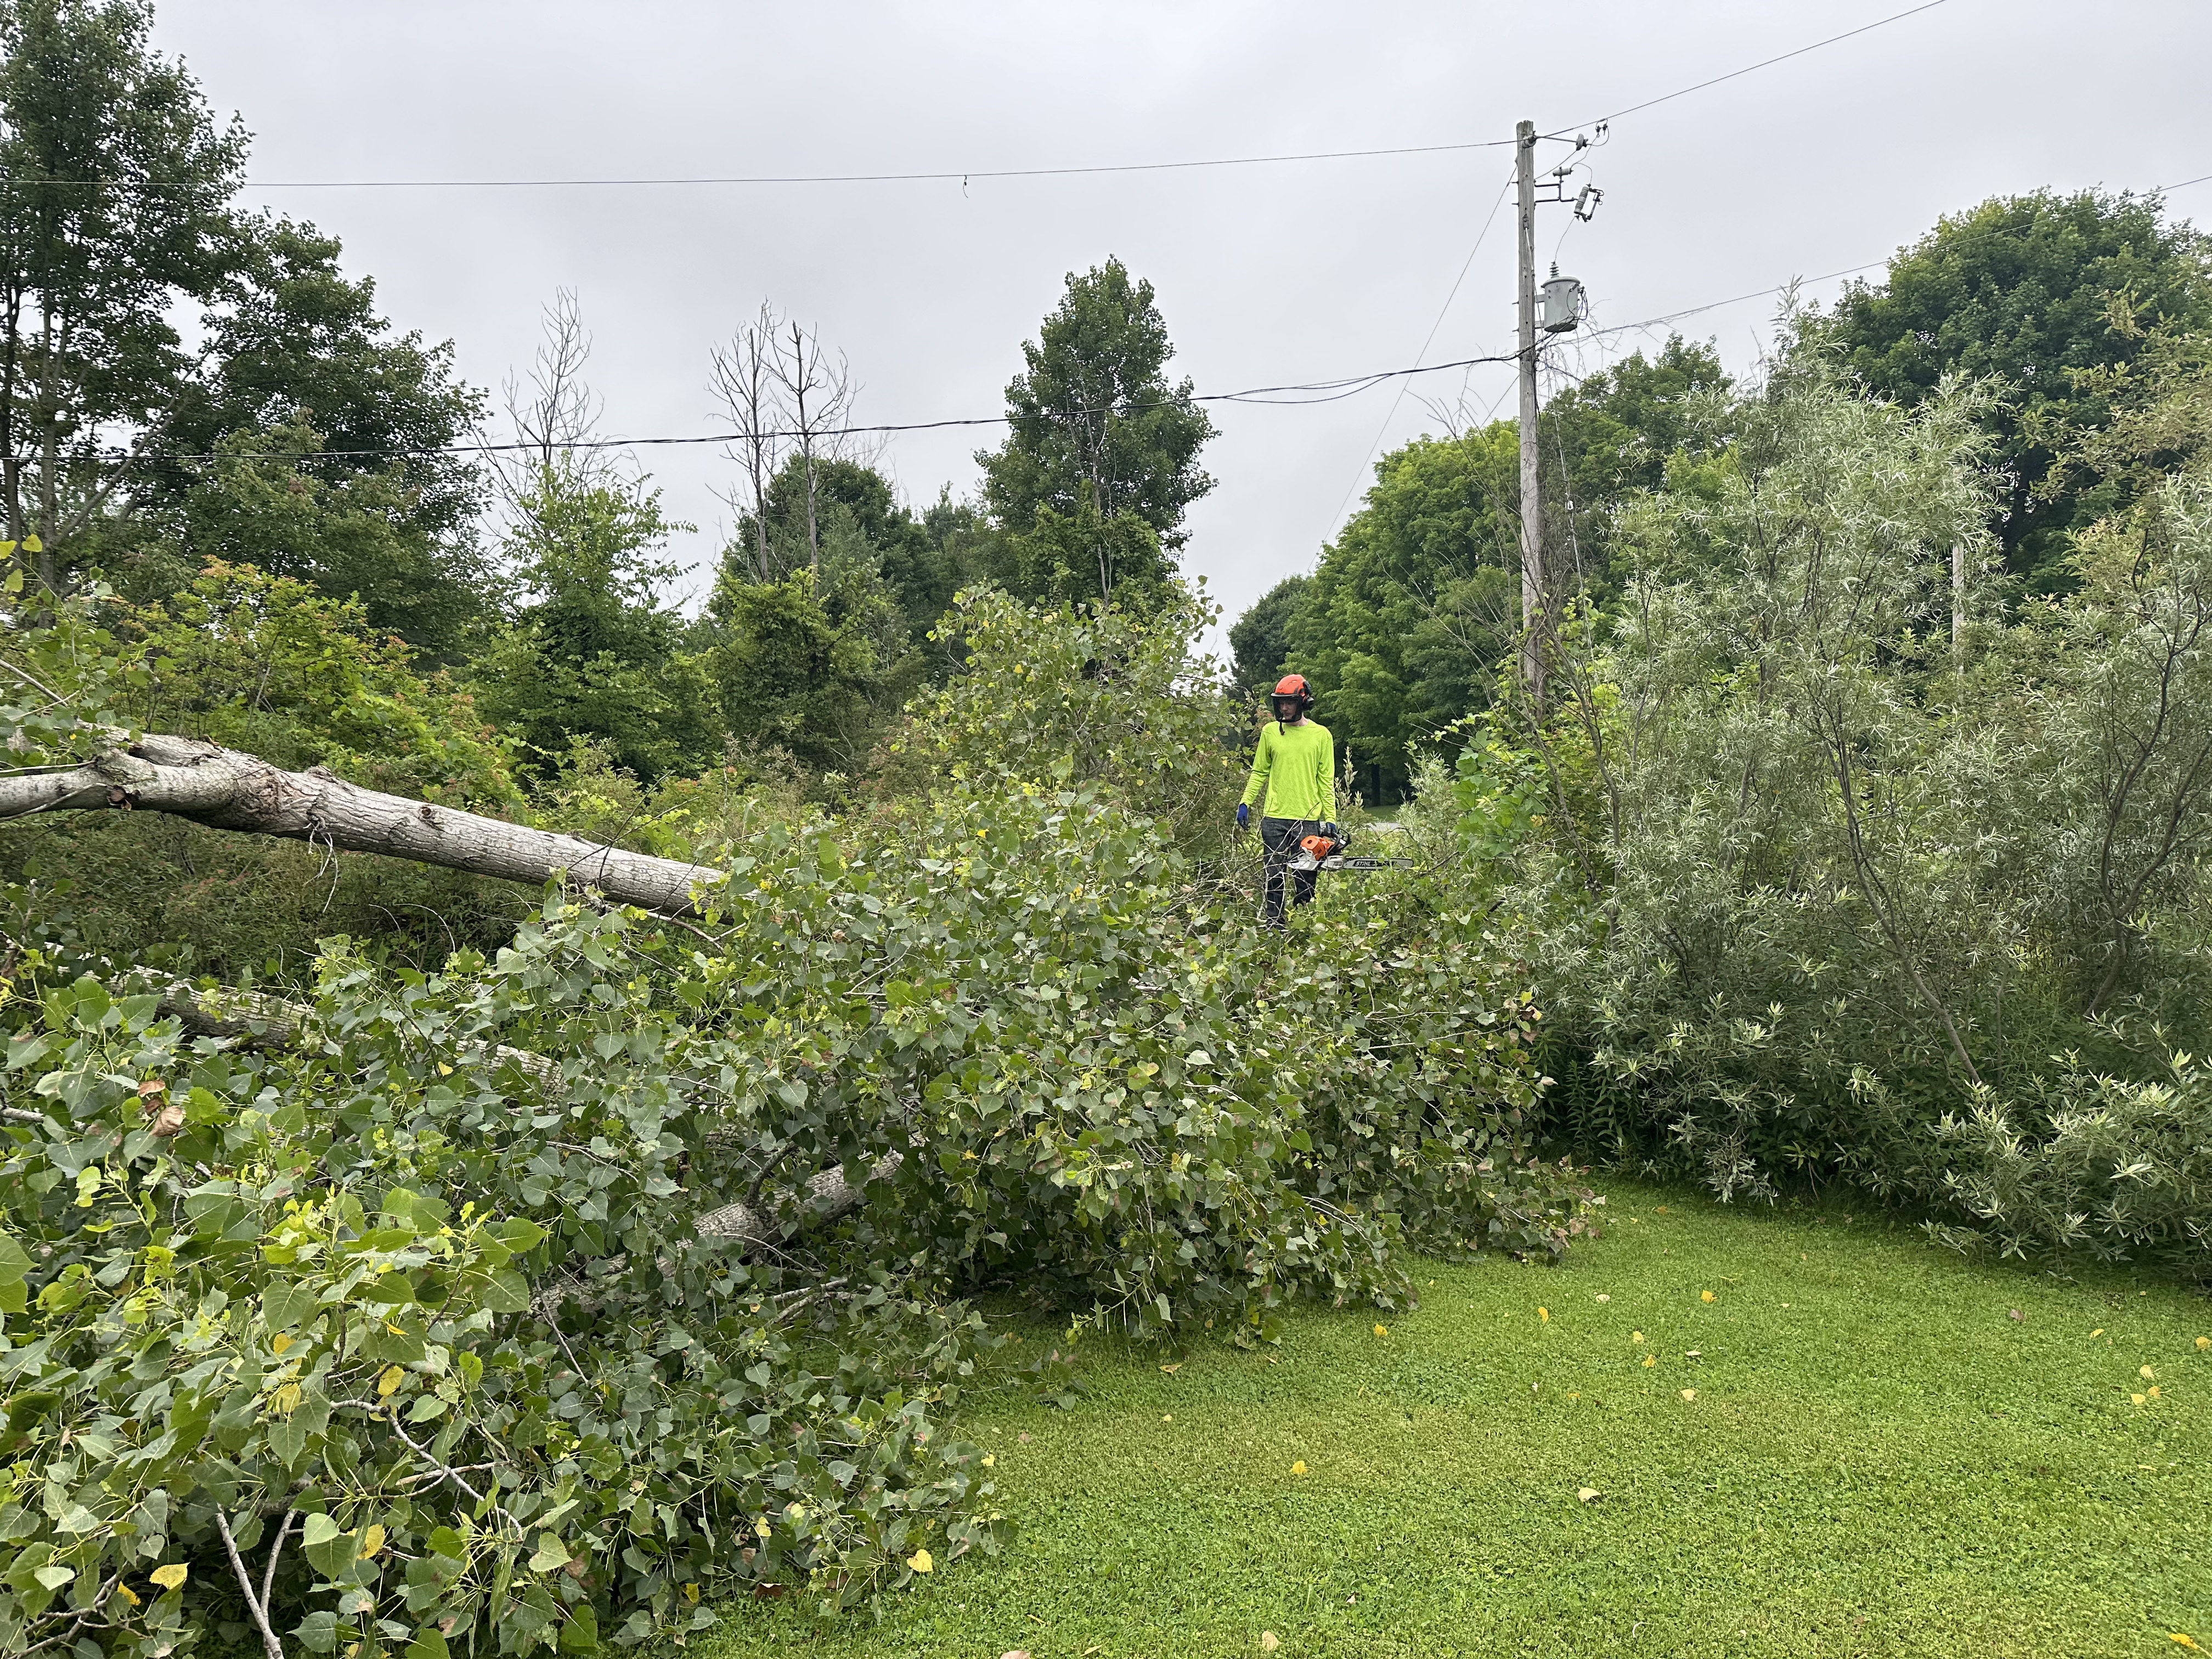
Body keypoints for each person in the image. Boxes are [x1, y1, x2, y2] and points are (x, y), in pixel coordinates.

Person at [1237, 673, 1337, 928]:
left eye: (1289, 702)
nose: (1283, 707)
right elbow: (1259, 772)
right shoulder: (1271, 732)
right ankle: (1275, 926)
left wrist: (1331, 819)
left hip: (1308, 820)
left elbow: (1326, 780)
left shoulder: (1321, 735)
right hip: (1275, 820)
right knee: (1275, 876)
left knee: (1306, 878)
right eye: (1280, 702)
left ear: (1303, 702)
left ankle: (1303, 926)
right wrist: (1245, 802)